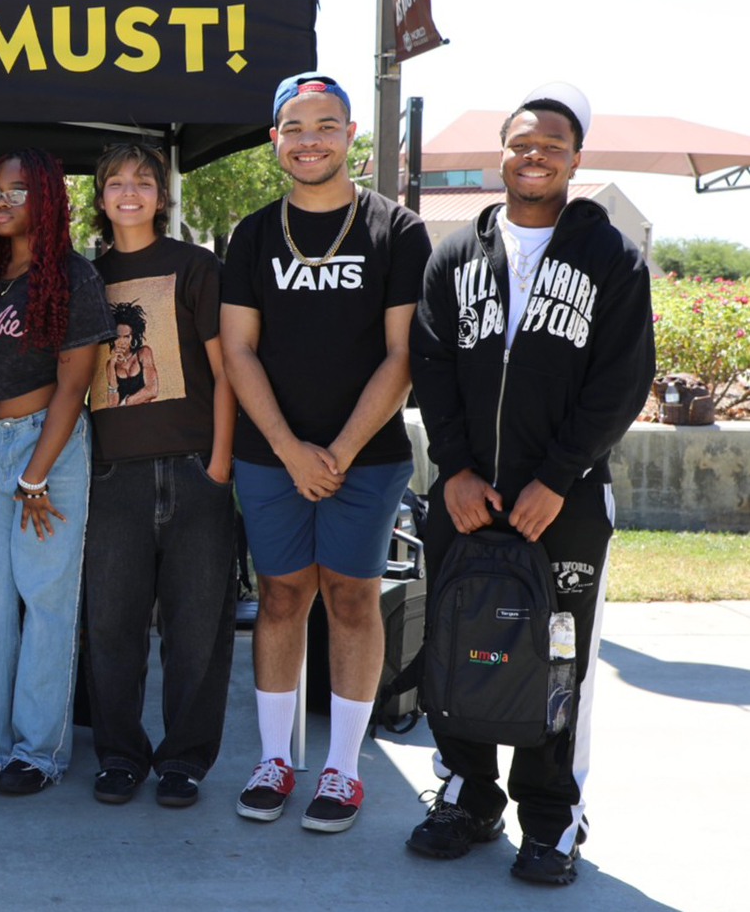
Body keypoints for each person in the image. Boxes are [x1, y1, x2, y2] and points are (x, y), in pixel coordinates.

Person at [406, 83, 653, 885]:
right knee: (458, 642)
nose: (535, 154)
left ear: (576, 157)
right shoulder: (455, 254)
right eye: (521, 142)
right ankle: (470, 795)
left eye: (552, 143)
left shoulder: (610, 257)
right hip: (465, 496)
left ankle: (553, 820)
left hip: (567, 502)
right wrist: (454, 470)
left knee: (560, 660)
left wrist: (557, 477)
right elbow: (432, 364)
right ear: (500, 154)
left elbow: (622, 380)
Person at [220, 73, 431, 833]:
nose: (310, 139)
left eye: (326, 125)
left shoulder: (397, 231)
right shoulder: (251, 235)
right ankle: (275, 758)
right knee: (280, 597)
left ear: (349, 136)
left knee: (350, 597)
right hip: (269, 454)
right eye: (294, 126)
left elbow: (402, 354)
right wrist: (290, 450)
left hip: (364, 458)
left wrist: (334, 452)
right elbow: (239, 352)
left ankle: (341, 768)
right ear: (275, 138)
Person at [80, 143, 239, 808]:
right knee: (110, 627)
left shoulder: (197, 267)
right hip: (112, 478)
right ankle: (119, 754)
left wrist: (220, 463)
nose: (130, 191)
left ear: (163, 194)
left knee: (197, 626)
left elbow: (228, 369)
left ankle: (184, 760)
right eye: (116, 180)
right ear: (100, 194)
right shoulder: (83, 277)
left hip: (195, 470)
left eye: (144, 181)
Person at [0, 148, 110, 795]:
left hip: (51, 445)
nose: (1, 203)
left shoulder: (73, 276)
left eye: (16, 192)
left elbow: (75, 385)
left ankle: (38, 751)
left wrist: (35, 474)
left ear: (46, 197)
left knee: (46, 603)